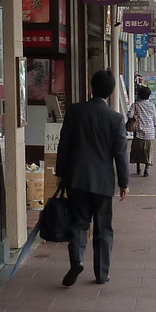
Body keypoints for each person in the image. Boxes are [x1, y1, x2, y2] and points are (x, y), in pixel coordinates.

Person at [54, 69, 131, 286]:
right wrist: (124, 182)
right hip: (103, 182)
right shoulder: (115, 119)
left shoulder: (74, 111)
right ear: (111, 92)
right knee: (103, 227)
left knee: (79, 223)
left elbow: (64, 145)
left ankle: (77, 259)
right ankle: (102, 273)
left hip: (76, 179)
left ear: (91, 87)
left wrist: (60, 174)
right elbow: (120, 154)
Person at [127, 84, 156, 176]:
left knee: (137, 150)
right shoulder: (152, 105)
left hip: (138, 132)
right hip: (150, 132)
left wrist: (135, 116)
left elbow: (129, 115)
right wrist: (154, 124)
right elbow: (154, 119)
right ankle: (146, 169)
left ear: (139, 95)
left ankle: (138, 167)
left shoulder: (135, 105)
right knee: (148, 150)